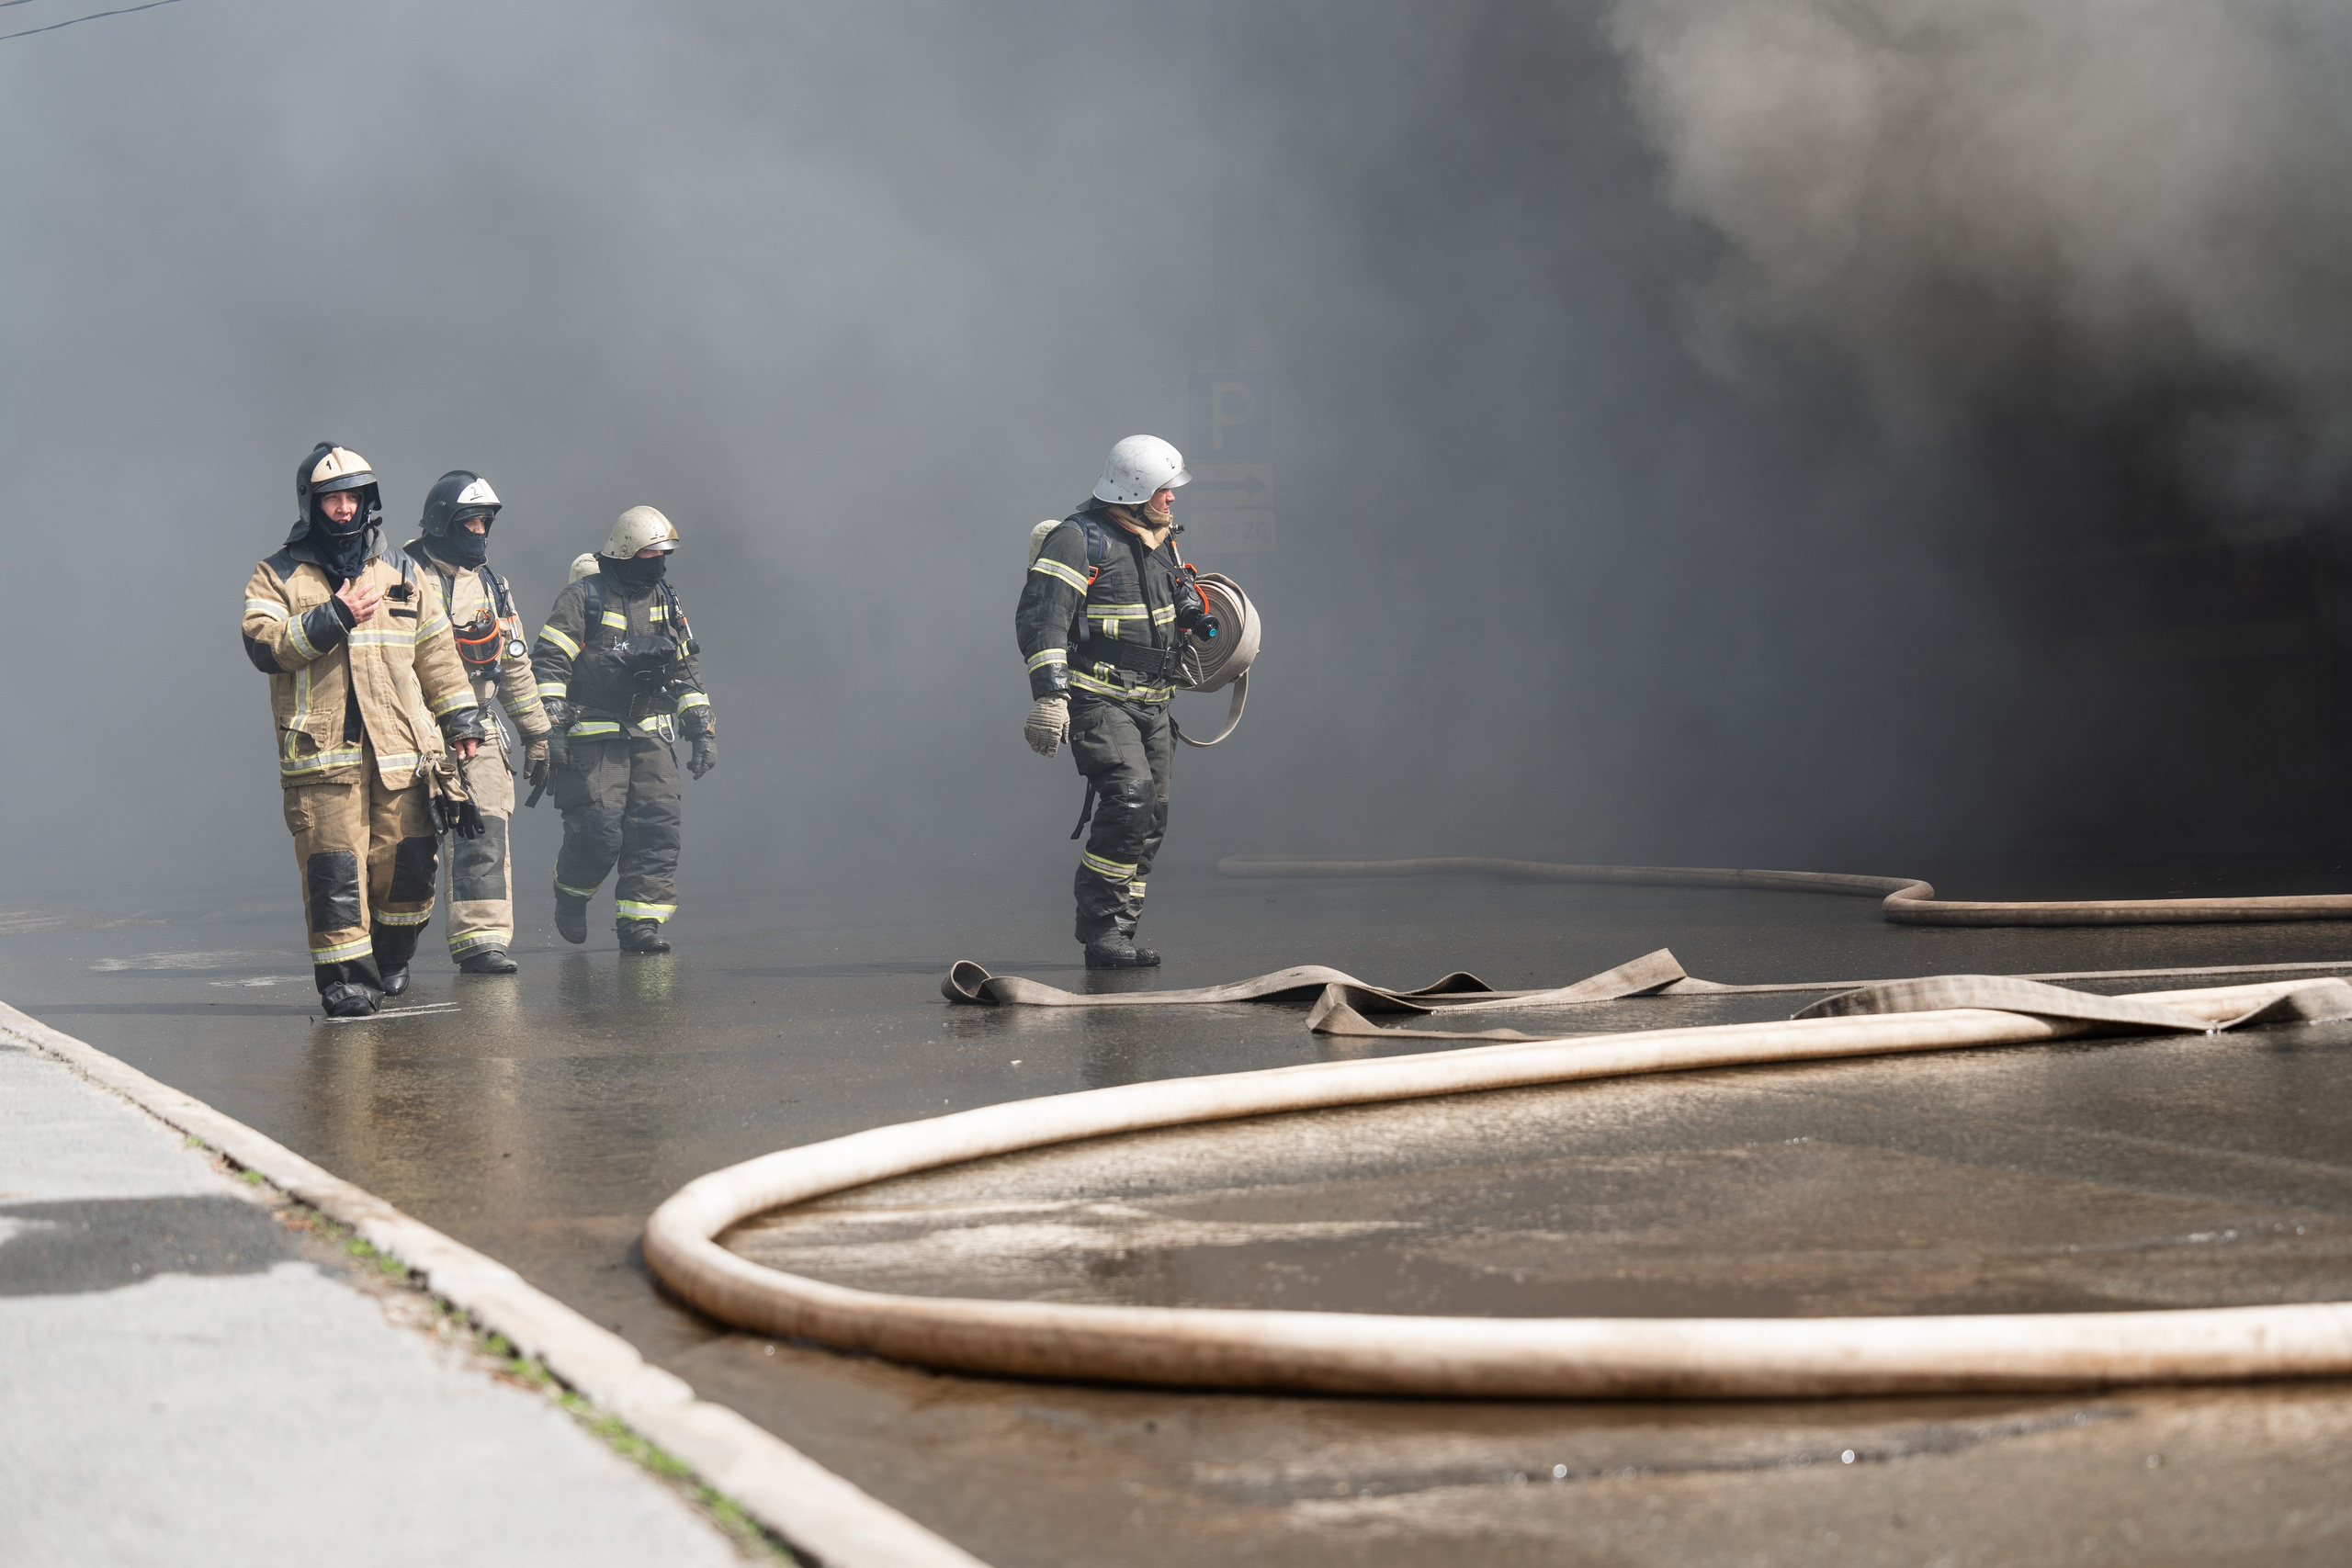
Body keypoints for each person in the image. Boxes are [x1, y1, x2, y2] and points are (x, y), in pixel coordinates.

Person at [241, 443, 485, 1018]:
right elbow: (264, 646)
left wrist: (461, 720)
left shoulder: (401, 571)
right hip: (325, 759)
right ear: (312, 504)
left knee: (409, 866)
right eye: (333, 500)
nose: (346, 509)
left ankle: (393, 959)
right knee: (336, 875)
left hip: (403, 751)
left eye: (354, 497)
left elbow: (438, 655)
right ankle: (346, 983)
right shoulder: (277, 574)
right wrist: (336, 616)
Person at [1015, 434, 1220, 968]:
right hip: (1098, 698)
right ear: (1133, 492)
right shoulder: (1077, 540)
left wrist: (1196, 614)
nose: (1173, 499)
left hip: (1154, 702)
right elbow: (1043, 619)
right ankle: (1101, 932)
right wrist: (1051, 698)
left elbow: (1173, 593)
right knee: (1130, 797)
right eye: (1163, 490)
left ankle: (1119, 935)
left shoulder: (1159, 540)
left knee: (1151, 816)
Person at [528, 506, 716, 953]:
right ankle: (571, 895)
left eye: (664, 555)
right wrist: (551, 728)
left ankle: (640, 924)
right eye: (651, 554)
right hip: (594, 734)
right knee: (599, 831)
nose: (659, 564)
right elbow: (549, 662)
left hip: (651, 732)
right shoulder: (582, 597)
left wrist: (702, 728)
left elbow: (686, 666)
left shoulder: (665, 598)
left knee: (656, 828)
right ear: (628, 551)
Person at [402, 471, 553, 974]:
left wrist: (536, 733)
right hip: (416, 730)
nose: (480, 532)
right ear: (443, 522)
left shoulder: (493, 585)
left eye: (485, 521)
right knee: (409, 844)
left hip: (482, 731)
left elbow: (513, 662)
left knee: (484, 832)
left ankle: (481, 940)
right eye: (470, 521)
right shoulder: (398, 577)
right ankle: (390, 947)